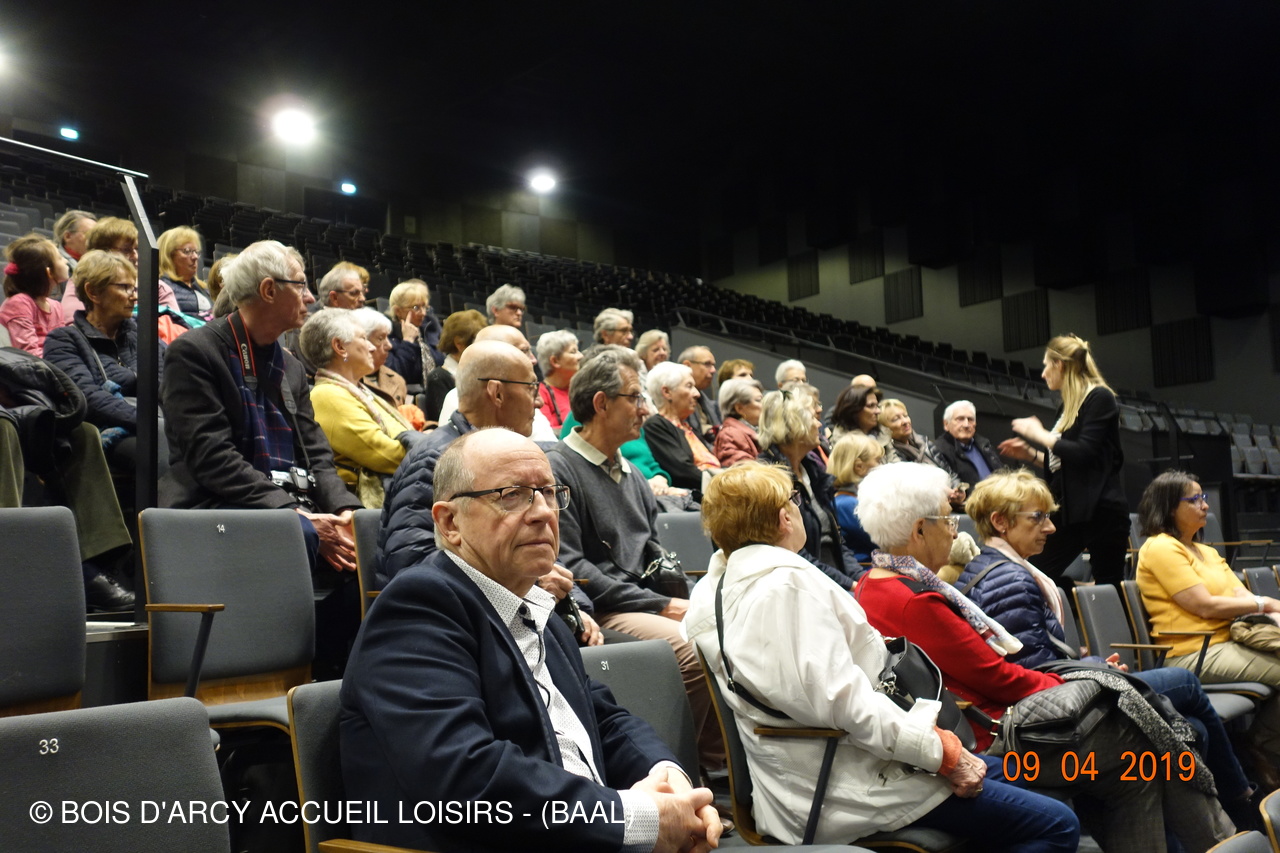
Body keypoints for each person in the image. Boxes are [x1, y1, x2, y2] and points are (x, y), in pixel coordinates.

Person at [339, 429, 721, 853]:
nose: (542, 512)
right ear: (450, 523)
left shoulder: (538, 609)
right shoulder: (420, 606)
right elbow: (464, 778)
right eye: (512, 495)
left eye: (549, 493)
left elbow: (604, 720)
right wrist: (638, 818)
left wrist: (670, 781)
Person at [684, 461, 1079, 850]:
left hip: (834, 766)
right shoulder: (785, 589)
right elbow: (846, 703)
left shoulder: (716, 589)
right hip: (845, 784)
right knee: (1058, 825)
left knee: (1029, 779)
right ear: (784, 518)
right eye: (795, 500)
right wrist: (943, 754)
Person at [853, 462, 1235, 853]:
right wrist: (1074, 681)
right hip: (996, 739)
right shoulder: (916, 600)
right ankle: (1223, 835)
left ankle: (1220, 835)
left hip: (987, 722)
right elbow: (999, 679)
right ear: (920, 530)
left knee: (1137, 767)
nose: (955, 531)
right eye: (948, 520)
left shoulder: (871, 583)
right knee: (1144, 735)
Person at [961, 469, 1259, 829]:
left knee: (1195, 728)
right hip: (1046, 721)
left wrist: (1091, 662)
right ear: (1000, 522)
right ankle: (1241, 803)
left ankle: (1214, 822)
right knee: (1185, 684)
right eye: (1038, 517)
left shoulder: (995, 569)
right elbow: (1035, 675)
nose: (1051, 528)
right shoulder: (1010, 579)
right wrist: (1095, 671)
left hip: (1054, 697)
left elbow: (1034, 655)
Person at [158, 240, 362, 677]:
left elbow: (317, 454)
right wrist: (292, 513)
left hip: (283, 507)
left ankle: (333, 675)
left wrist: (345, 509)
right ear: (269, 290)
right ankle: (293, 673)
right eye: (301, 286)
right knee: (295, 534)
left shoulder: (291, 366)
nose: (311, 298)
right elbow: (212, 459)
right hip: (217, 507)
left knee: (369, 535)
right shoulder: (195, 352)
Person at [547, 352, 724, 767]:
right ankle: (670, 769)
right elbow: (573, 568)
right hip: (600, 608)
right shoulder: (559, 469)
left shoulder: (633, 473)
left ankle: (720, 768)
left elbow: (652, 551)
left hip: (641, 601)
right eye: (635, 398)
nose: (644, 410)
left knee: (728, 629)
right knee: (693, 649)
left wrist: (696, 597)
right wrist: (662, 604)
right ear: (601, 403)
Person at [1137, 470, 1280, 767]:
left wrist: (1265, 609)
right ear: (1169, 507)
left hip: (1229, 642)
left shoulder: (1206, 552)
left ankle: (1260, 744)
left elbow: (1241, 597)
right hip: (1192, 653)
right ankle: (1261, 747)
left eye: (1203, 497)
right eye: (1195, 500)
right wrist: (1267, 603)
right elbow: (1204, 606)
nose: (1205, 505)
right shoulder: (1160, 547)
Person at [378, 340, 539, 582]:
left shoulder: (508, 456)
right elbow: (411, 563)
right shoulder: (434, 461)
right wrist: (532, 578)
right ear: (497, 393)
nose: (539, 401)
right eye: (531, 388)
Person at [998, 334, 1128, 588]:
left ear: (1059, 365)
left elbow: (1085, 452)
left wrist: (1039, 434)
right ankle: (1076, 593)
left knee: (1109, 586)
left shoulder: (1099, 397)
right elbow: (1068, 464)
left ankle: (1084, 600)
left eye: (1046, 365)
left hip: (1102, 512)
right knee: (1037, 574)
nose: (1043, 373)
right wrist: (1030, 454)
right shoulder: (1066, 408)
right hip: (1071, 510)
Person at [44, 250, 163, 473]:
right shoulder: (63, 340)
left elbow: (169, 380)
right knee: (156, 453)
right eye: (124, 287)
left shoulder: (142, 333)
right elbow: (88, 398)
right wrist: (151, 423)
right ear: (93, 292)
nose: (134, 296)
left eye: (134, 288)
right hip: (109, 430)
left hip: (157, 422)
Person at [301, 309, 414, 509]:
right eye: (363, 338)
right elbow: (386, 456)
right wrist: (433, 452)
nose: (372, 347)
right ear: (339, 347)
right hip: (367, 510)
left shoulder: (359, 391)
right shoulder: (327, 395)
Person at [757, 389, 858, 587]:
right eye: (813, 417)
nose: (819, 424)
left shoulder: (813, 471)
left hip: (832, 579)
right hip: (800, 583)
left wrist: (860, 579)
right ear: (794, 424)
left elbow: (839, 542)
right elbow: (794, 553)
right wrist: (849, 585)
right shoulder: (768, 478)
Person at [437, 324, 558, 441]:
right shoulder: (460, 399)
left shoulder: (523, 395)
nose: (534, 359)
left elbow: (548, 444)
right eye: (524, 351)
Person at [63, 217, 182, 316]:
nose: (135, 256)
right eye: (126, 250)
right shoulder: (80, 282)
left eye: (137, 249)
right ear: (102, 252)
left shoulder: (157, 287)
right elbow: (73, 321)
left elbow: (174, 326)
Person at [644, 361, 723, 492]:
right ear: (667, 392)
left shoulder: (687, 427)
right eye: (689, 386)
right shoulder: (656, 426)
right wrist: (726, 483)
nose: (697, 394)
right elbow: (684, 472)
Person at [879, 398, 964, 502]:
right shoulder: (890, 456)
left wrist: (957, 490)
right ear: (885, 428)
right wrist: (945, 493)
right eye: (896, 419)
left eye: (905, 416)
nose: (905, 421)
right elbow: (911, 489)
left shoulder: (925, 442)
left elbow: (950, 474)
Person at [1, 234, 68, 356]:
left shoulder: (56, 306)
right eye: (60, 258)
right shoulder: (20, 303)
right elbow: (28, 353)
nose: (66, 261)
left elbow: (64, 346)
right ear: (49, 272)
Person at [422, 308, 486, 421]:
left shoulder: (483, 374)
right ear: (459, 343)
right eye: (478, 344)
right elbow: (445, 422)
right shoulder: (438, 378)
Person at [829, 431, 882, 563]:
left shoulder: (848, 501)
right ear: (859, 467)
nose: (882, 466)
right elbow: (886, 542)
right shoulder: (847, 505)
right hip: (866, 570)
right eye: (878, 461)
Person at [384, 278, 444, 386]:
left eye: (424, 307)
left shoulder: (426, 330)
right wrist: (408, 341)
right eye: (416, 307)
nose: (423, 313)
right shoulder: (386, 336)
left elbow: (440, 362)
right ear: (398, 311)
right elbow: (396, 374)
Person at [935, 399, 1006, 489]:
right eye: (960, 419)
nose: (966, 424)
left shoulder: (984, 444)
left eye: (970, 419)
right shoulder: (939, 450)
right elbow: (952, 488)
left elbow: (1002, 474)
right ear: (946, 424)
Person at [830, 382, 898, 463]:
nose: (878, 411)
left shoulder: (883, 433)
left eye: (877, 406)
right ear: (853, 410)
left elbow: (895, 462)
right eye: (871, 406)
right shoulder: (843, 443)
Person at [157, 226, 212, 317]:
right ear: (168, 255)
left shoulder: (204, 289)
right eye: (187, 251)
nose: (195, 257)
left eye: (196, 252)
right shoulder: (161, 289)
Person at [536, 329, 581, 433]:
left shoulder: (581, 389)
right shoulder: (540, 394)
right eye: (573, 351)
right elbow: (546, 433)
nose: (581, 356)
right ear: (555, 361)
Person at [713, 377, 763, 467]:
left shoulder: (759, 431)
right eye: (759, 400)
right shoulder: (729, 435)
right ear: (739, 408)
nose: (765, 405)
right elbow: (743, 472)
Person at [678, 345, 720, 442]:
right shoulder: (676, 404)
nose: (713, 370)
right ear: (687, 366)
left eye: (713, 365)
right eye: (707, 364)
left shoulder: (710, 405)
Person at [53, 209, 95, 276]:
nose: (95, 239)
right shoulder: (54, 264)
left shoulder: (97, 263)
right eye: (89, 234)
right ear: (68, 236)